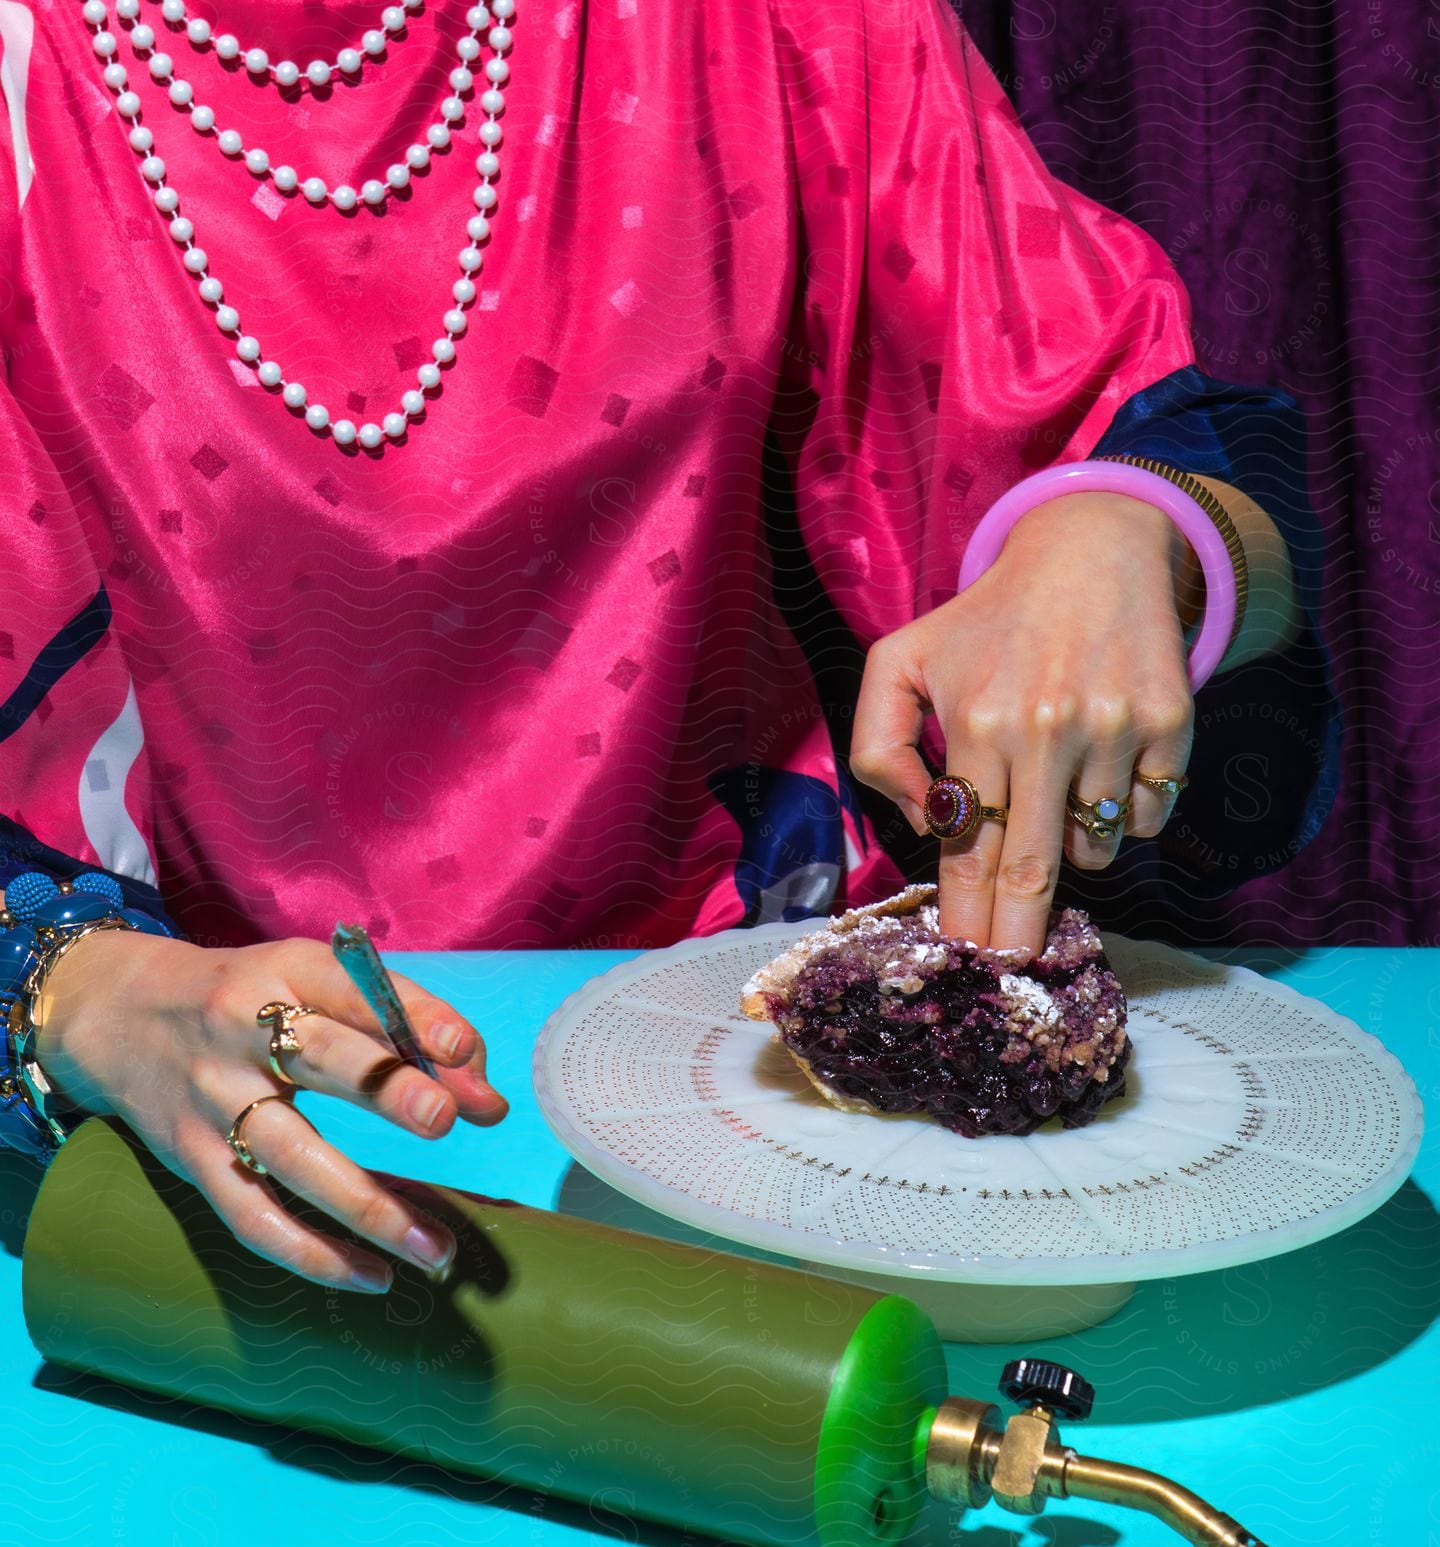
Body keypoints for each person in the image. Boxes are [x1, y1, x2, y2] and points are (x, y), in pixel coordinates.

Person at [0, 0, 1338, 1292]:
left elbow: (1169, 457)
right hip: (146, 1154)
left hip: (748, 1093)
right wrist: (69, 996)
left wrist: (1127, 536)